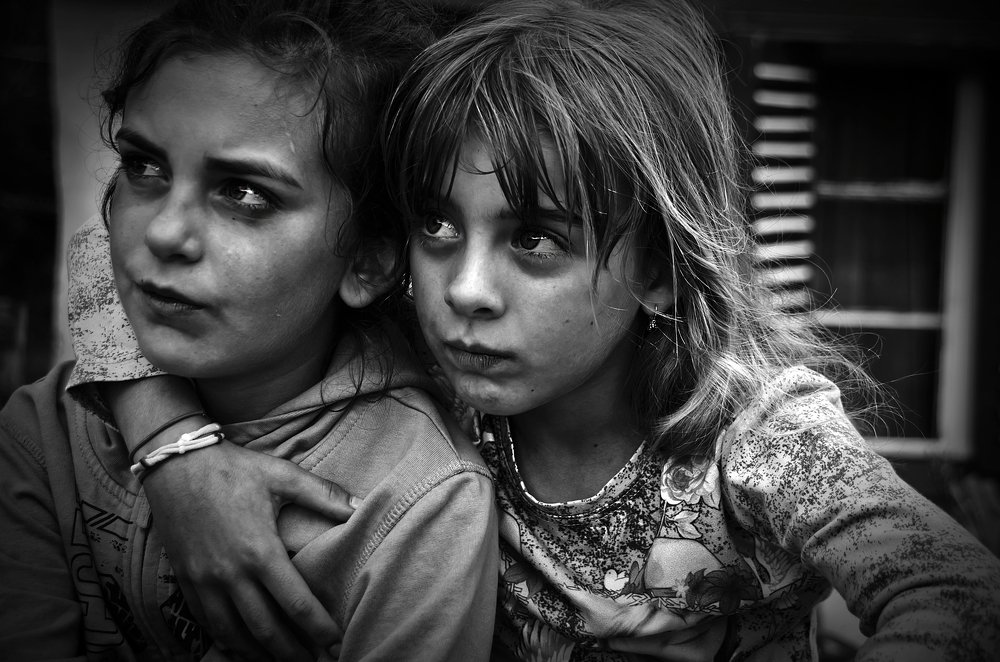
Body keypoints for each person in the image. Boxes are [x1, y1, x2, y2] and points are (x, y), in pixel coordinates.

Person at [51, 0, 1000, 660]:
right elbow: (114, 257)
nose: (465, 289)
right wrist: (174, 452)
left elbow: (960, 595)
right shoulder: (426, 349)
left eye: (536, 239)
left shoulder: (756, 434)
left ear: (659, 269)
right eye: (436, 225)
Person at [0, 1, 498, 661]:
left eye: (244, 193)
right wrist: (171, 448)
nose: (164, 233)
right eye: (144, 167)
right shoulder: (45, 430)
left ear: (368, 261)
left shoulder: (414, 506)